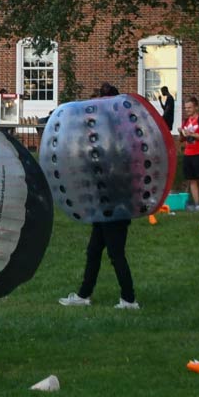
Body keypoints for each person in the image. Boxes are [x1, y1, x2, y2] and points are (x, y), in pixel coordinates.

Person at [60, 84, 139, 311]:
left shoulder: (118, 135)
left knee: (115, 253)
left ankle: (129, 299)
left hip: (116, 201)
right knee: (94, 250)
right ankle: (84, 295)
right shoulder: (109, 132)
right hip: (103, 201)